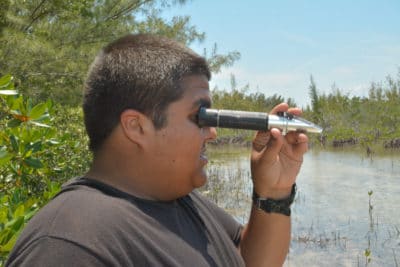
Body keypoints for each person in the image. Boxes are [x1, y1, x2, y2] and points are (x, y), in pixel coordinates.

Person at [6, 34, 308, 267]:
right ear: (136, 127)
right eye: (200, 117)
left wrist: (273, 192)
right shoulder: (69, 246)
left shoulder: (181, 201)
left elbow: (248, 259)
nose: (212, 132)